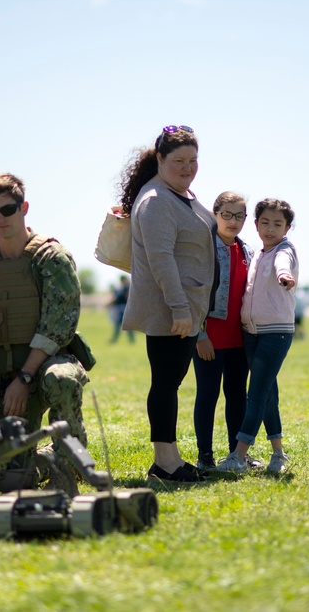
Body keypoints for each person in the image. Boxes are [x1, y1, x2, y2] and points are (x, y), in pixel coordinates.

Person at [0, 173, 90, 473]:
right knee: (9, 474)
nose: (1, 218)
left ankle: (69, 459)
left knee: (61, 379)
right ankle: (41, 460)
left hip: (46, 367)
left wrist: (25, 378)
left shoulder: (51, 258)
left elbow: (59, 325)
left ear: (24, 207)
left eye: (9, 209)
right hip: (4, 375)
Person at [119, 125, 215, 483]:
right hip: (171, 311)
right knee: (165, 383)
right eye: (179, 160)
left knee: (169, 382)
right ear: (160, 159)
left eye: (193, 160)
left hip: (187, 308)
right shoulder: (157, 200)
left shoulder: (178, 194)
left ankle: (169, 458)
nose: (188, 167)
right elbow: (161, 259)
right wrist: (179, 308)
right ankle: (165, 463)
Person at [215, 198, 299, 475]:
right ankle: (278, 455)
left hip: (276, 333)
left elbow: (282, 265)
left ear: (287, 228)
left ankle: (238, 456)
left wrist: (285, 276)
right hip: (251, 333)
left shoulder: (283, 251)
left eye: (277, 224)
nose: (270, 228)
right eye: (265, 222)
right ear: (256, 224)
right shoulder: (257, 253)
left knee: (257, 393)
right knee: (268, 393)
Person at [192, 191, 255, 471]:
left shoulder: (248, 251)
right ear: (214, 214)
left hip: (239, 340)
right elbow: (193, 294)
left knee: (237, 395)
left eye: (239, 215)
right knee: (207, 395)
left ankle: (236, 454)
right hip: (209, 339)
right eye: (226, 214)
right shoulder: (203, 248)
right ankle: (204, 456)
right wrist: (200, 335)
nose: (233, 221)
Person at [108, 275, 134, 343]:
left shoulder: (127, 288)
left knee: (126, 325)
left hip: (124, 308)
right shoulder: (122, 288)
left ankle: (116, 339)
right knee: (123, 325)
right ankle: (130, 340)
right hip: (120, 308)